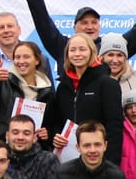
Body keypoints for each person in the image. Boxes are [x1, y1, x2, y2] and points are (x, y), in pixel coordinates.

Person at [45, 33, 124, 168]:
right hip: (68, 161)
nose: (77, 54)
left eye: (82, 49)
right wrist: (56, 136)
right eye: (73, 50)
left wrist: (110, 164)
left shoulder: (107, 84)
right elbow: (57, 122)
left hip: (98, 160)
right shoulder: (63, 87)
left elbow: (114, 127)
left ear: (92, 52)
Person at [0, 39, 55, 133]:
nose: (21, 61)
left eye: (26, 57)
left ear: (37, 60)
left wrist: (47, 133)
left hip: (32, 140)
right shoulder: (3, 81)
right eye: (17, 57)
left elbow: (51, 123)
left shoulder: (46, 90)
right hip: (1, 139)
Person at [4, 114, 56, 179]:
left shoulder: (47, 160)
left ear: (34, 137)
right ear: (7, 136)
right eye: (15, 133)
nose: (20, 137)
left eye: (26, 133)